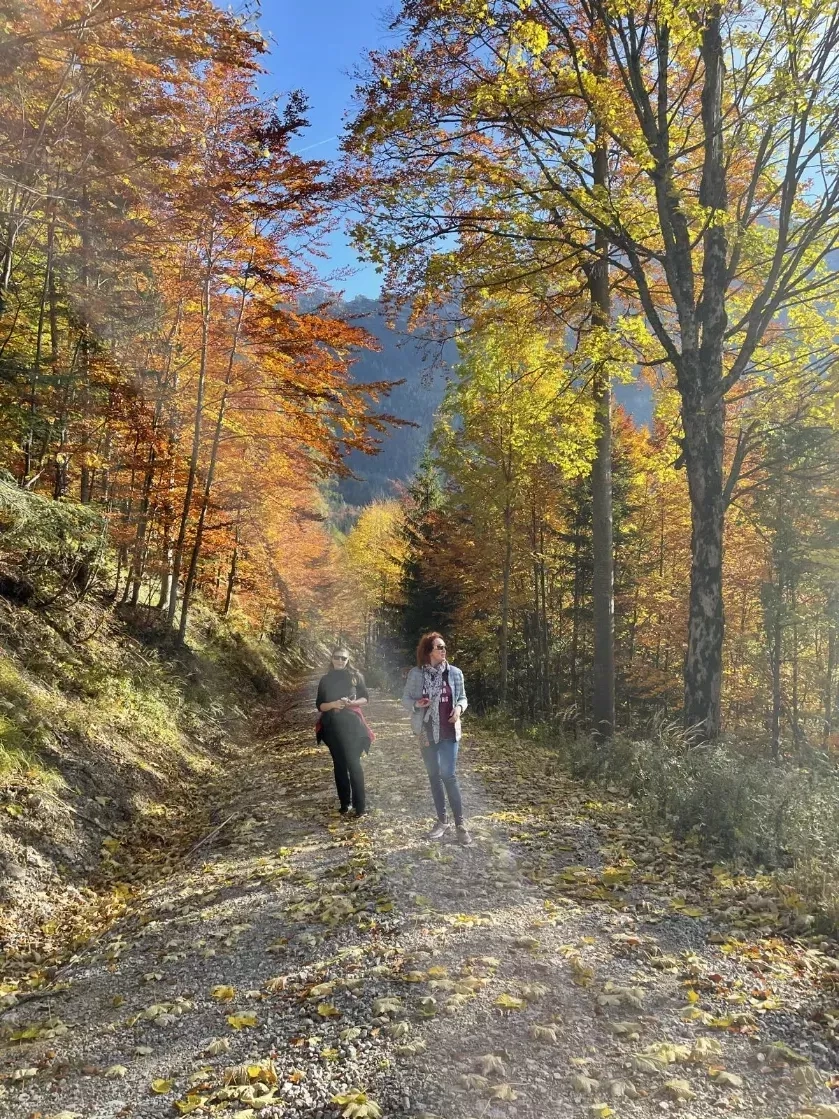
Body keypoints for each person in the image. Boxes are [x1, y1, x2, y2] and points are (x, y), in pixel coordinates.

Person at [402, 632, 472, 846]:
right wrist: (416, 704)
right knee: (434, 776)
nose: (443, 650)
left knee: (448, 775)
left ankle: (460, 824)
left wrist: (458, 709)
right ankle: (442, 821)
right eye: (439, 647)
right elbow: (405, 699)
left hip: (449, 731)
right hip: (426, 732)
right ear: (428, 651)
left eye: (444, 647)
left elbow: (463, 698)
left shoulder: (454, 673)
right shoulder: (416, 674)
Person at [316, 647, 372, 817]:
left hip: (353, 726)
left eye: (343, 658)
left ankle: (360, 806)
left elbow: (365, 698)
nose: (340, 660)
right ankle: (345, 803)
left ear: (348, 660)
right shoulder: (325, 680)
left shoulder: (356, 676)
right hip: (332, 727)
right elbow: (320, 705)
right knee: (339, 765)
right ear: (331, 658)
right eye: (337, 657)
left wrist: (350, 703)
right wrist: (333, 704)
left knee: (354, 764)